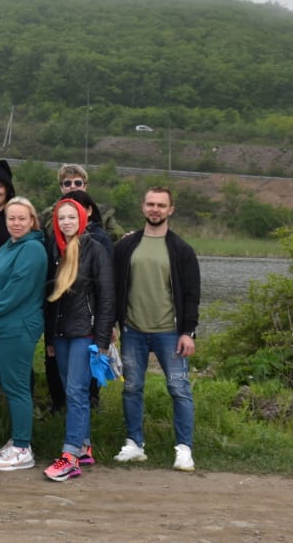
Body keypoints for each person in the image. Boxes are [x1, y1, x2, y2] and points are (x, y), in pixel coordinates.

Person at [112, 187, 200, 472]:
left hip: (170, 333)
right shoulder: (126, 247)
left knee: (179, 389)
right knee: (132, 388)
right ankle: (134, 444)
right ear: (143, 207)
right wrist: (113, 325)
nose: (155, 209)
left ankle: (184, 449)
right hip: (132, 331)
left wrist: (188, 332)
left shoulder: (181, 250)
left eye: (161, 205)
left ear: (171, 210)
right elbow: (114, 288)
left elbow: (191, 294)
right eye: (150, 204)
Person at [42, 198, 115, 482]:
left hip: (85, 333)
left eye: (72, 217)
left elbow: (107, 298)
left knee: (76, 391)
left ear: (82, 219)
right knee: (72, 390)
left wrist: (102, 342)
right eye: (62, 218)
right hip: (60, 335)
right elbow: (51, 300)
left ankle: (70, 455)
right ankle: (84, 446)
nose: (67, 223)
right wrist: (49, 337)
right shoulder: (56, 249)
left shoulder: (95, 249)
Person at [0, 197, 47, 472]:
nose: (15, 223)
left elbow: (18, 288)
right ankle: (16, 438)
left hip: (17, 326)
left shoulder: (32, 249)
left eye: (21, 219)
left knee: (17, 387)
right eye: (11, 219)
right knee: (9, 384)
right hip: (2, 326)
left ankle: (22, 448)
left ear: (32, 221)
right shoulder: (11, 245)